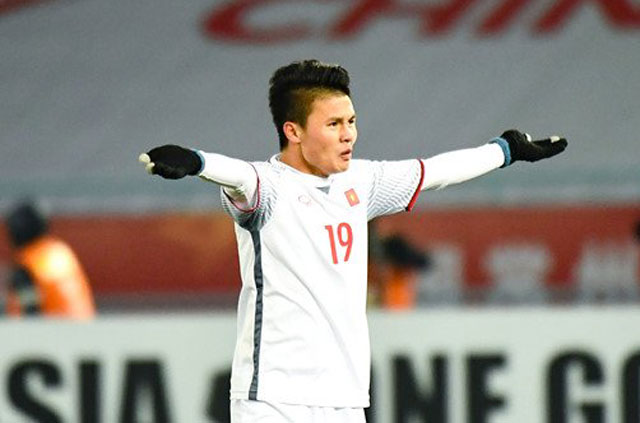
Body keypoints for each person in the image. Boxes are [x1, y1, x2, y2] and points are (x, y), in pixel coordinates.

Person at [139, 59, 567, 422]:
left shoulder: (361, 182)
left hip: (345, 400)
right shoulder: (267, 188)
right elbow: (237, 175)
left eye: (352, 121)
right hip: (272, 398)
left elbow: (435, 171)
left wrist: (506, 150)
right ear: (294, 131)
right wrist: (197, 162)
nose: (349, 134)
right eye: (334, 124)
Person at [4, 201, 95, 319]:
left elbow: (30, 315)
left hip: (53, 329)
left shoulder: (26, 268)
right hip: (85, 326)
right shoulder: (62, 252)